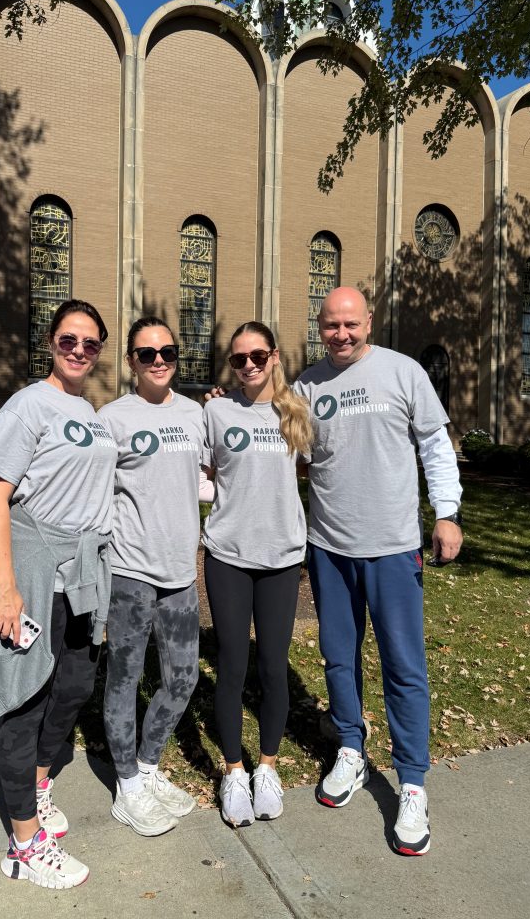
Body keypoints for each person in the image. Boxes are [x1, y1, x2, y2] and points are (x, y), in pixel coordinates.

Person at [294, 286, 463, 856]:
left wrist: (447, 514)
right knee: (338, 657)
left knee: (403, 666)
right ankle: (351, 749)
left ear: (369, 320)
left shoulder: (403, 372)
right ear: (320, 326)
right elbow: (289, 453)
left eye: (350, 323)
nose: (341, 334)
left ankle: (412, 782)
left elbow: (435, 446)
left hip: (393, 547)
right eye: (330, 325)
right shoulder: (306, 386)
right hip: (329, 548)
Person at [0, 299, 118, 889]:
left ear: (99, 351)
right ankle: (24, 846)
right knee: (25, 701)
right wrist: (5, 588)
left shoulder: (91, 412)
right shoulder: (28, 405)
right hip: (34, 575)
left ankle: (36, 784)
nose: (79, 349)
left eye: (90, 342)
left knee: (75, 685)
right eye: (68, 339)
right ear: (50, 342)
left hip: (83, 575)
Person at [98, 317, 207, 837]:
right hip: (130, 572)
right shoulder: (112, 418)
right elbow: (95, 490)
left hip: (180, 572)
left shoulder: (195, 414)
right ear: (131, 362)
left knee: (183, 679)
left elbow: (203, 479)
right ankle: (126, 787)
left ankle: (146, 767)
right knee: (124, 678)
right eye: (147, 353)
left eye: (167, 351)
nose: (159, 360)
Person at [202, 321, 313, 827]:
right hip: (228, 554)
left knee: (272, 665)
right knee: (231, 665)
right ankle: (233, 771)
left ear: (274, 357)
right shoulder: (216, 411)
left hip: (281, 557)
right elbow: (203, 477)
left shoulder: (295, 410)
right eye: (238, 358)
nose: (248, 365)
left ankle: (267, 767)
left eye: (257, 356)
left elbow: (316, 470)